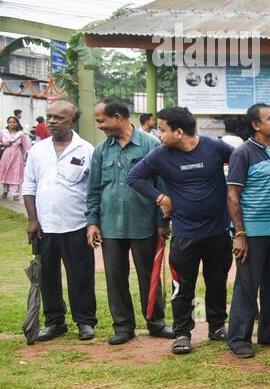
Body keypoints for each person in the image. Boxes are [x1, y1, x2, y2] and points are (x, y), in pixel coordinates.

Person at [126, 106, 234, 355]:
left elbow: (240, 161)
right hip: (185, 234)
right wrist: (160, 197)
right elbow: (134, 177)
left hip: (217, 232)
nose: (158, 134)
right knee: (182, 286)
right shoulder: (160, 154)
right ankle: (183, 332)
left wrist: (233, 191)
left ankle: (217, 327)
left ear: (178, 132)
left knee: (216, 282)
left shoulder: (215, 147)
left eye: (162, 130)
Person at [86, 99, 170, 345]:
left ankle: (156, 323)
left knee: (149, 275)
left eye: (102, 120)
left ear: (118, 117)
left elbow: (161, 186)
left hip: (144, 223)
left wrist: (162, 222)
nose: (99, 125)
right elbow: (93, 189)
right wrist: (93, 221)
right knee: (115, 276)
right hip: (111, 224)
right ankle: (123, 326)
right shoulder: (101, 150)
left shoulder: (151, 145)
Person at [22, 99, 96, 341]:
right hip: (44, 226)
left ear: (71, 121)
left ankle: (84, 322)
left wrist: (93, 222)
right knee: (46, 276)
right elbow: (29, 185)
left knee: (81, 275)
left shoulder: (86, 150)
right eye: (50, 116)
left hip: (76, 224)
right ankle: (55, 322)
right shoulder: (37, 150)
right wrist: (32, 220)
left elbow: (94, 190)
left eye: (59, 118)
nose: (52, 121)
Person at [225, 103, 270, 359]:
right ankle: (238, 338)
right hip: (251, 232)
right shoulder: (243, 153)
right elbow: (232, 195)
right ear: (255, 125)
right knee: (247, 286)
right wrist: (240, 234)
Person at [0, 115, 31, 198]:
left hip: (17, 156)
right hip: (6, 155)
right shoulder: (3, 133)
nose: (12, 124)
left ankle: (15, 194)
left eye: (14, 122)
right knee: (5, 172)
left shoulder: (20, 134)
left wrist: (30, 156)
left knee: (15, 173)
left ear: (17, 123)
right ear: (7, 123)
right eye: (10, 122)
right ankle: (5, 191)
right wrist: (3, 144)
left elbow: (26, 147)